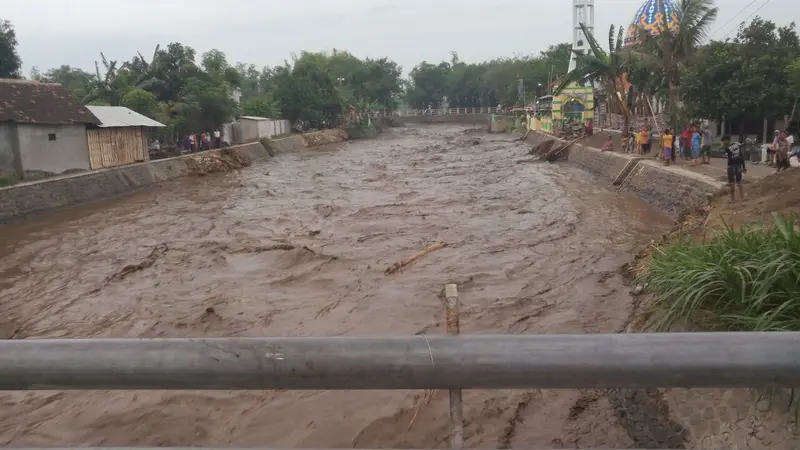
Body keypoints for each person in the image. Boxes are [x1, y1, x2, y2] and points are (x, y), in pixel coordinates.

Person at [722, 135, 746, 201]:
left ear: (726, 140)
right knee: (739, 182)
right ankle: (742, 197)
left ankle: (733, 199)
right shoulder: (736, 145)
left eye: (723, 141)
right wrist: (743, 167)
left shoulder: (727, 149)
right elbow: (741, 157)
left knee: (732, 183)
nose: (723, 143)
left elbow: (728, 156)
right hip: (738, 166)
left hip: (731, 166)